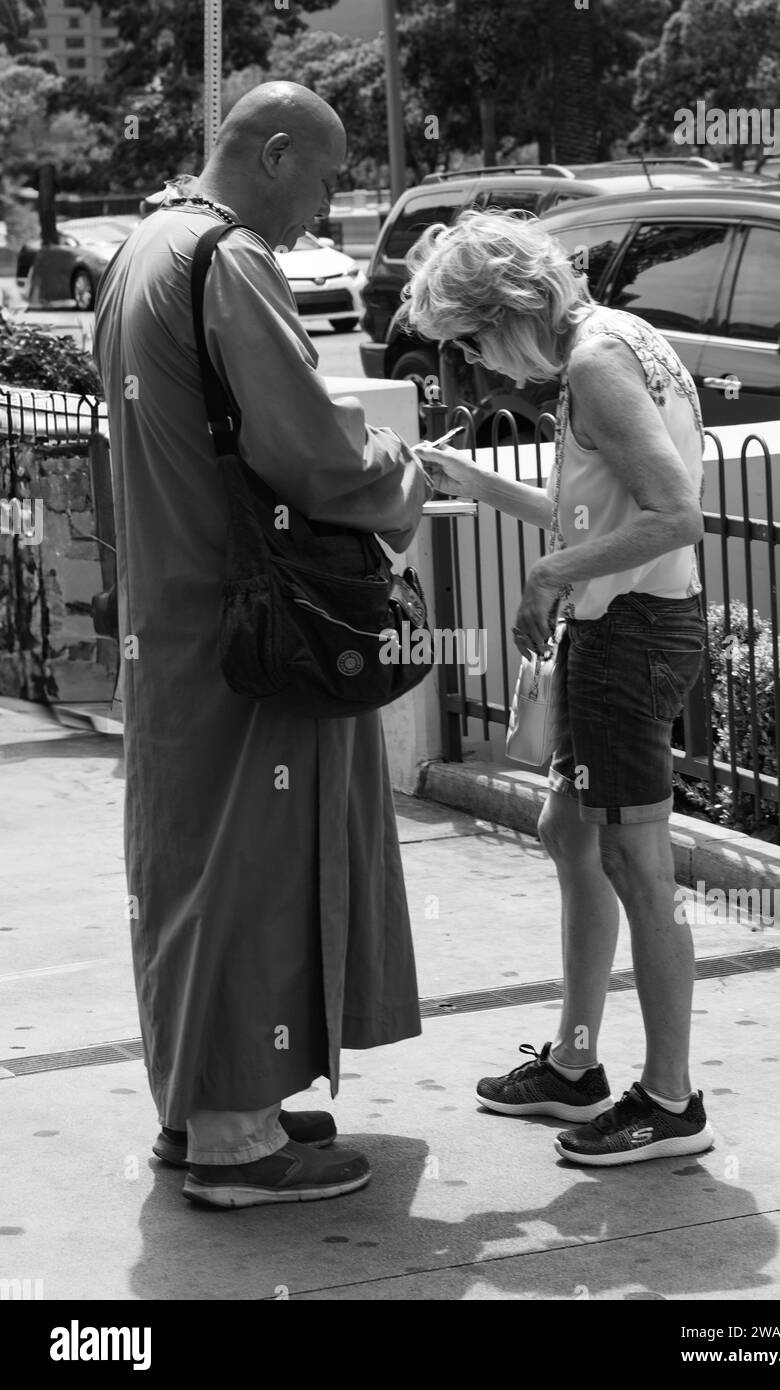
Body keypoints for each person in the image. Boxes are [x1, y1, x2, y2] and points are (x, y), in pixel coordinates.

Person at [93, 83, 430, 1209]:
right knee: (250, 862)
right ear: (275, 155)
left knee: (193, 864)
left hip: (179, 617)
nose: (328, 210)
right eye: (328, 179)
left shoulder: (145, 246)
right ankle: (238, 1145)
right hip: (247, 624)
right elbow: (309, 451)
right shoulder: (227, 259)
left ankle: (210, 1111)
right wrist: (399, 472)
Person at [411, 210, 713, 1166]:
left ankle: (670, 1102)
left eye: (471, 341)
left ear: (503, 309)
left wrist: (547, 575)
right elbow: (604, 503)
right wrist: (485, 487)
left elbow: (675, 517)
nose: (483, 368)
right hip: (619, 628)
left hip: (630, 636)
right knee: (568, 831)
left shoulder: (591, 364)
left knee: (637, 867)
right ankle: (577, 1069)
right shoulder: (621, 336)